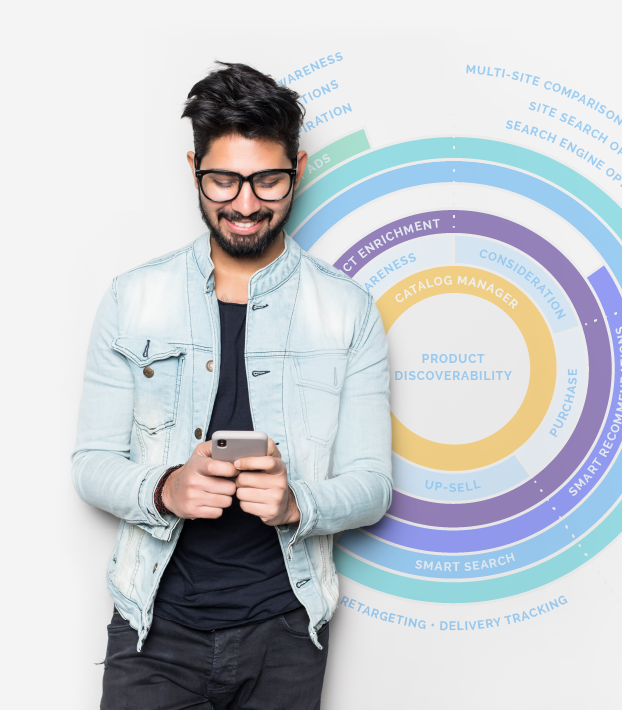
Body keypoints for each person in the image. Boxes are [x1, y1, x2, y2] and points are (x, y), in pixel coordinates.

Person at [72, 62, 393, 709]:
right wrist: (166, 489)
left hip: (285, 634)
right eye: (223, 179)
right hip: (152, 632)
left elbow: (371, 484)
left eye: (266, 179)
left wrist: (297, 503)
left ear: (298, 169)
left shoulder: (348, 311)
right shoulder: (133, 300)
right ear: (194, 167)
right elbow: (90, 465)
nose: (245, 203)